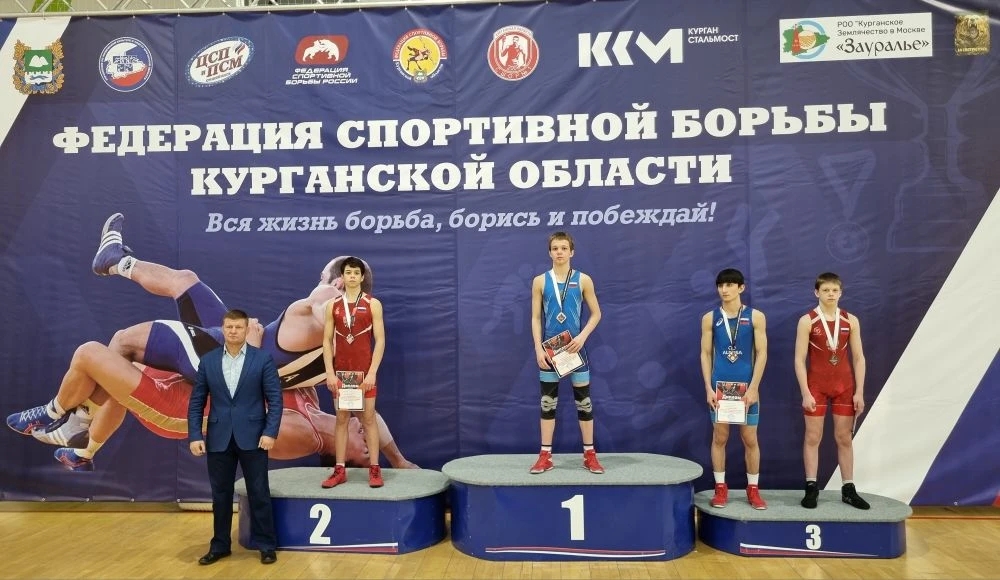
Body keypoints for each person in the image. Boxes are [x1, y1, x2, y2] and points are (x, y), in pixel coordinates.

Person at [9, 212, 415, 471]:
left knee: (120, 343)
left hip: (224, 366)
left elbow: (242, 422)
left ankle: (75, 422)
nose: (367, 438)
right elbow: (369, 415)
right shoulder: (324, 385)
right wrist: (398, 460)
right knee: (185, 282)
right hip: (227, 349)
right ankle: (115, 261)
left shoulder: (310, 427)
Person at [188, 309, 282, 565]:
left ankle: (266, 545)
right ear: (223, 329)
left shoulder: (262, 359)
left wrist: (270, 432)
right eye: (229, 327)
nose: (233, 331)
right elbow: (196, 402)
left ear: (246, 330)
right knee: (220, 495)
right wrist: (195, 434)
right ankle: (220, 546)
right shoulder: (208, 361)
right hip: (218, 438)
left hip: (254, 437)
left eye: (238, 327)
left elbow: (275, 400)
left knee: (258, 491)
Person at [528, 231, 603, 475]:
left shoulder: (583, 280)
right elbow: (535, 318)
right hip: (550, 351)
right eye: (555, 248)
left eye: (563, 248)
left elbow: (596, 313)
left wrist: (582, 337)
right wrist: (538, 348)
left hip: (574, 348)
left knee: (584, 402)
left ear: (572, 252)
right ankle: (545, 456)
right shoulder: (540, 281)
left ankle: (589, 455)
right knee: (547, 403)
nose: (559, 252)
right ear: (549, 252)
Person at [794, 272, 870, 510]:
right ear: (816, 292)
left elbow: (859, 358)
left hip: (844, 387)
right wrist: (805, 392)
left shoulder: (850, 320)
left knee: (844, 438)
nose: (830, 294)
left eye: (834, 290)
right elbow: (799, 359)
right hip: (816, 387)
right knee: (812, 437)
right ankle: (811, 487)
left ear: (841, 293)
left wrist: (859, 392)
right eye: (825, 290)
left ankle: (848, 489)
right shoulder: (807, 321)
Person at [700, 268, 768, 510]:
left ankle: (753, 489)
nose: (724, 290)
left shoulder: (756, 317)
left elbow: (762, 353)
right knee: (720, 437)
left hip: (747, 388)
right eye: (721, 285)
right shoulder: (710, 318)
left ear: (741, 288)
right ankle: (720, 487)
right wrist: (708, 388)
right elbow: (705, 354)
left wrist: (754, 387)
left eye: (729, 285)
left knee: (750, 438)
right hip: (720, 387)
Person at [321, 257, 386, 488]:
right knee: (342, 419)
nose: (352, 276)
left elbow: (380, 340)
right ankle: (339, 470)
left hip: (364, 372)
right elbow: (326, 341)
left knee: (368, 418)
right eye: (348, 272)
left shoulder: (373, 304)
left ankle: (375, 469)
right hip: (342, 373)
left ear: (361, 277)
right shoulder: (332, 305)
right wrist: (330, 373)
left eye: (356, 273)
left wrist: (372, 373)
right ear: (342, 276)